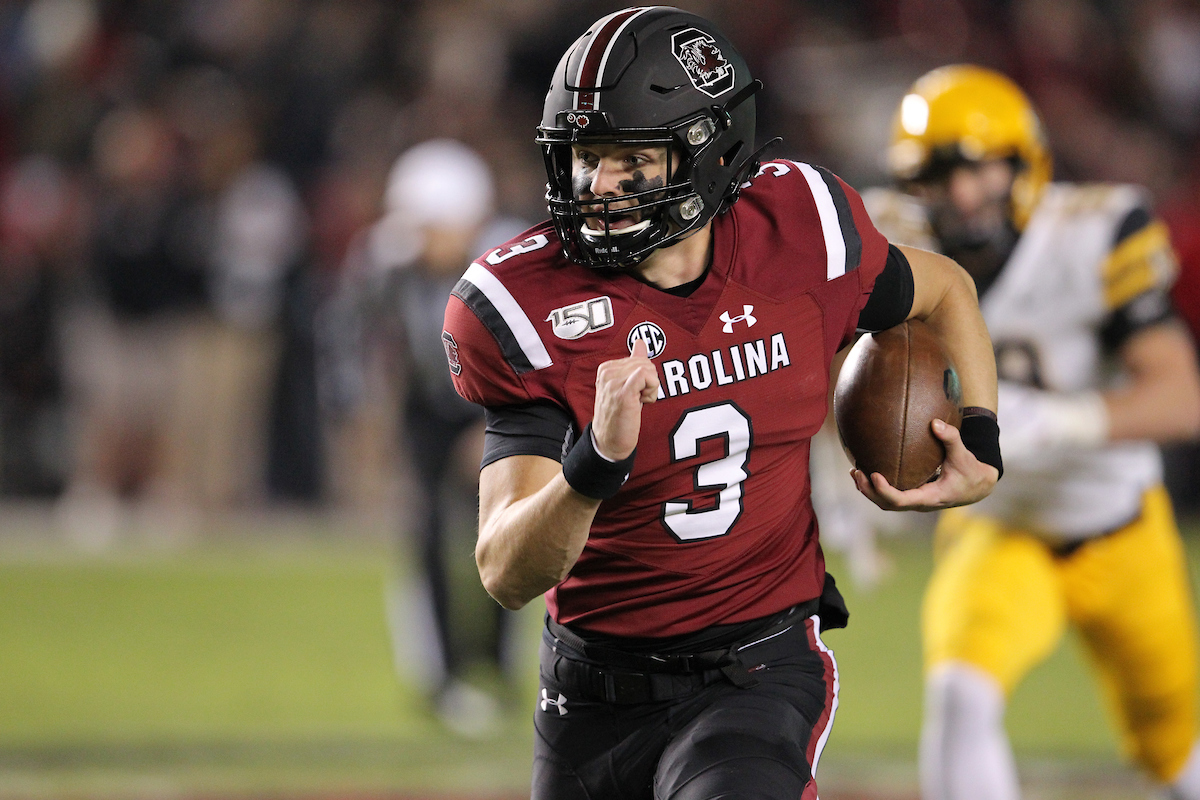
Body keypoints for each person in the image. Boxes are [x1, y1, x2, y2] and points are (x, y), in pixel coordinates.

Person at [441, 9, 1001, 798]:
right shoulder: (528, 304)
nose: (598, 185)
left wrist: (981, 436)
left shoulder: (800, 230)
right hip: (589, 690)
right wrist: (594, 464)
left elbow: (945, 289)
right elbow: (506, 572)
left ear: (712, 152)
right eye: (585, 157)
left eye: (631, 159)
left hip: (756, 668)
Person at [864, 64, 1200, 800]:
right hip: (1000, 529)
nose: (961, 194)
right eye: (938, 175)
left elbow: (1181, 396)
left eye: (977, 167)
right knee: (960, 693)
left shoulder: (1093, 231)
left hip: (1118, 524)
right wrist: (838, 479)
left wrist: (1061, 420)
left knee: (1175, 749)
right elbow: (846, 369)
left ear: (1025, 161)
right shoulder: (896, 239)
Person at [321, 139, 525, 737]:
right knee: (427, 536)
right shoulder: (386, 259)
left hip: (498, 406)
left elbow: (541, 356)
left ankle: (500, 664)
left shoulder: (509, 261)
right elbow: (345, 333)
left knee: (508, 534)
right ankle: (440, 676)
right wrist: (361, 414)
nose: (424, 239)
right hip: (428, 409)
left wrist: (497, 424)